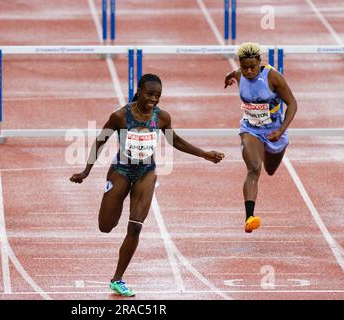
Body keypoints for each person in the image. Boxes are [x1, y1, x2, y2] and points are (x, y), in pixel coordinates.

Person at [70, 74, 225, 297]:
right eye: (150, 94)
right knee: (106, 225)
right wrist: (86, 171)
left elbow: (175, 140)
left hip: (146, 173)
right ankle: (118, 200)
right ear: (140, 91)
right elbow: (100, 140)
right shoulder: (120, 116)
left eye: (158, 96)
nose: (154, 99)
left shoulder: (161, 117)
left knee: (135, 226)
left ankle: (117, 279)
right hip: (121, 171)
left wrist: (204, 154)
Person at [224, 42, 297, 233]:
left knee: (270, 170)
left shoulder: (272, 77)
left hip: (274, 131)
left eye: (252, 67)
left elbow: (292, 104)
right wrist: (230, 75)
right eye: (244, 67)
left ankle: (269, 150)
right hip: (250, 129)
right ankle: (249, 217)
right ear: (240, 64)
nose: (248, 71)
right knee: (254, 169)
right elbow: (235, 73)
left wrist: (280, 131)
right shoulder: (240, 73)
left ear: (259, 62)